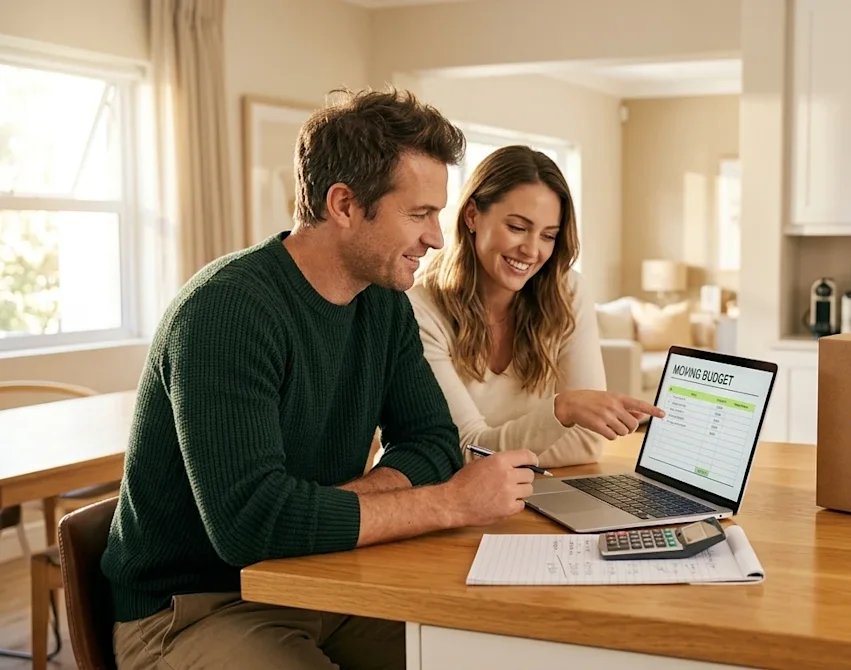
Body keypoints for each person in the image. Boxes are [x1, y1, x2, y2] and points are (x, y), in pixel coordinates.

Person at [100, 88, 541, 670]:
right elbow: (251, 525)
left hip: (322, 574)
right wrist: (448, 505)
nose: (436, 237)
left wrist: (324, 508)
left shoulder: (383, 303)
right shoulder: (226, 312)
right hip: (195, 608)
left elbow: (432, 442)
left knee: (494, 653)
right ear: (344, 204)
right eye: (418, 214)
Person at [408, 145, 664, 469]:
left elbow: (587, 443)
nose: (531, 251)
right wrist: (561, 412)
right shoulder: (420, 311)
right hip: (447, 506)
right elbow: (466, 452)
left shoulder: (566, 291)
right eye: (517, 227)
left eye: (548, 235)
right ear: (472, 215)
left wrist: (499, 453)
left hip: (533, 495)